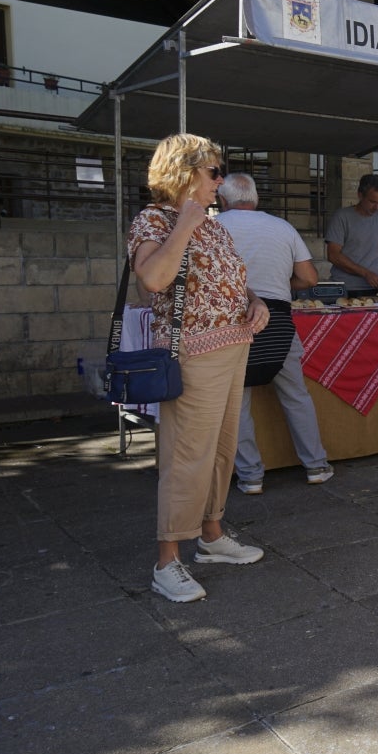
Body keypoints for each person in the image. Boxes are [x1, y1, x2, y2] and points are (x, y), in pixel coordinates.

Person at [129, 135, 270, 603]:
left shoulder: (214, 225)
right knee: (186, 457)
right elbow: (153, 279)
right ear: (185, 172)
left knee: (221, 451)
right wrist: (185, 225)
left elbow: (234, 279)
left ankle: (211, 535)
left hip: (233, 347)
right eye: (213, 172)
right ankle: (167, 560)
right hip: (192, 353)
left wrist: (256, 302)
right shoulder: (155, 219)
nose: (220, 181)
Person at [215, 173, 332, 494]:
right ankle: (316, 466)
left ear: (222, 200)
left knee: (237, 404)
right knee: (296, 396)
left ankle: (251, 476)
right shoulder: (282, 227)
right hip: (279, 321)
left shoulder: (213, 227)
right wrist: (280, 285)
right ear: (256, 199)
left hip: (230, 323)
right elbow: (309, 278)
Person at [326, 173, 378, 296]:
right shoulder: (342, 217)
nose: (376, 207)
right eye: (372, 201)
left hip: (376, 289)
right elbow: (333, 255)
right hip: (344, 288)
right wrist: (365, 273)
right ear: (360, 195)